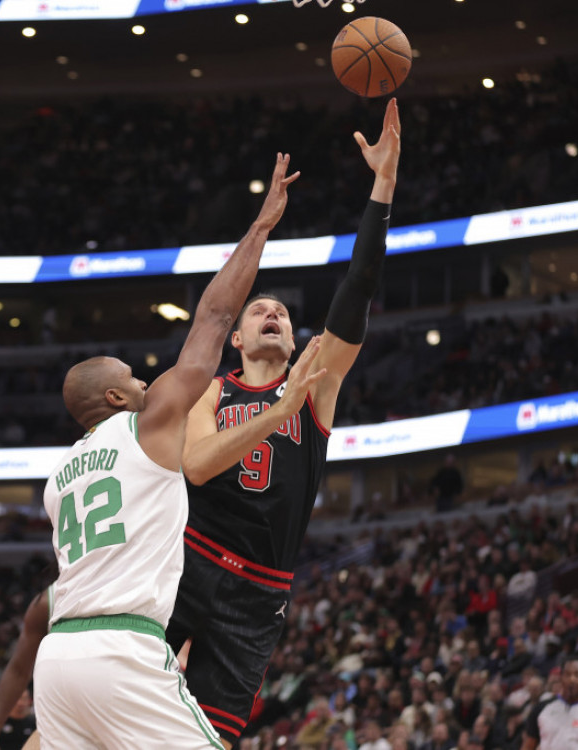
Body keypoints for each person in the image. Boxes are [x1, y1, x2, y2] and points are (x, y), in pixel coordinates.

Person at [32, 153, 314, 749]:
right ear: (116, 397)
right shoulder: (150, 423)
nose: (146, 382)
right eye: (134, 378)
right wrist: (261, 227)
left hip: (56, 660)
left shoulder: (59, 478)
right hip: (122, 647)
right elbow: (214, 316)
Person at [165, 97, 401, 747]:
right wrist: (278, 410)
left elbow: (358, 288)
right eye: (259, 311)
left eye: (282, 313)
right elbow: (197, 465)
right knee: (106, 703)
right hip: (188, 563)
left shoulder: (315, 383)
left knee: (210, 739)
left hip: (259, 588)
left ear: (294, 340)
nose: (272, 313)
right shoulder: (212, 391)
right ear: (238, 339)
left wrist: (383, 185)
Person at [0, 588, 49, 750]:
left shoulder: (33, 723)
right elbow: (18, 671)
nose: (22, 703)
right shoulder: (46, 602)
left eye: (24, 699)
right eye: (19, 698)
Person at [522, 655, 578, 750]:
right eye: (567, 674)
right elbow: (528, 746)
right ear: (561, 678)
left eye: (577, 675)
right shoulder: (541, 709)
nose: (572, 679)